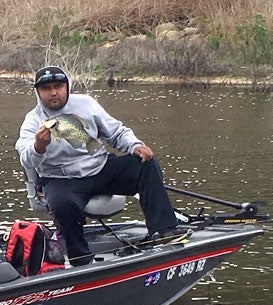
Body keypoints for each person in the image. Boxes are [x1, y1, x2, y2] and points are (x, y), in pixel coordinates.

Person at [15, 66, 180, 266]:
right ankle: (80, 259)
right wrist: (38, 146)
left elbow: (116, 132)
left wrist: (135, 145)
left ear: (67, 87)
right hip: (61, 179)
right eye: (46, 88)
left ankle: (164, 230)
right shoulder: (33, 121)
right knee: (62, 205)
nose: (53, 92)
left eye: (58, 86)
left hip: (99, 167)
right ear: (38, 92)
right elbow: (26, 159)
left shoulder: (86, 104)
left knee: (146, 164)